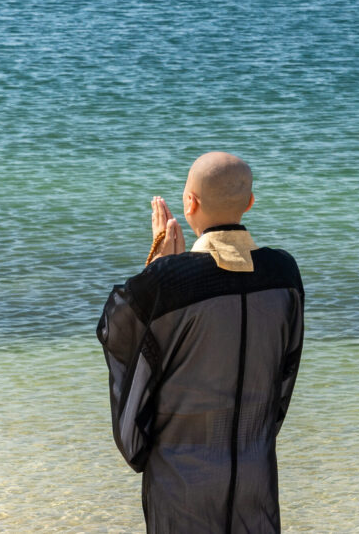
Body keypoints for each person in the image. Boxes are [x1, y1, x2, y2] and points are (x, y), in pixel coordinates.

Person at [96, 152, 304, 533]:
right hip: (253, 473)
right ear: (250, 203)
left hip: (181, 482)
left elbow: (116, 328)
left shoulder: (170, 285)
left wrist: (157, 270)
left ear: (189, 203)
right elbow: (286, 370)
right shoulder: (284, 274)